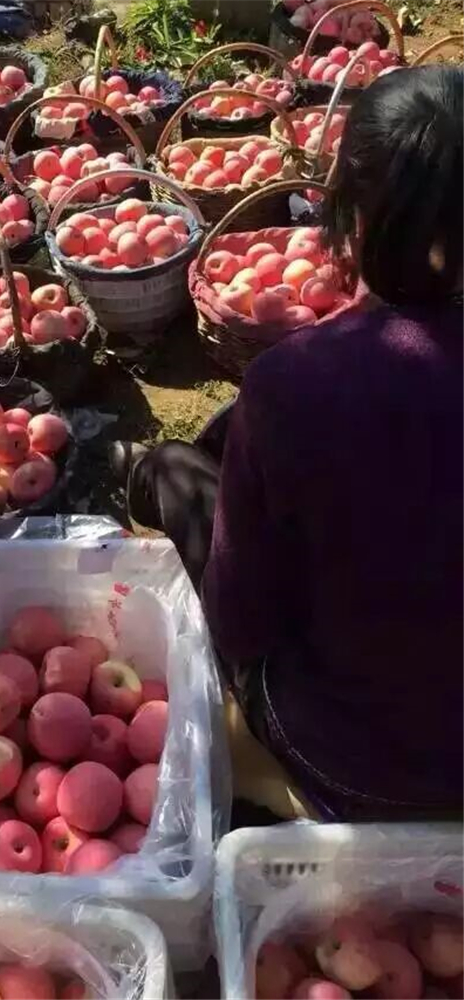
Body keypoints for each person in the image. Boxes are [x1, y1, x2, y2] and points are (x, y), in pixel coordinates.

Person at [111, 64, 463, 822]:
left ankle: (148, 475)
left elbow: (242, 623)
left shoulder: (296, 385)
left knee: (179, 471)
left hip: (348, 762)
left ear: (350, 214)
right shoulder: (304, 386)